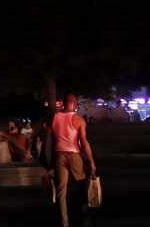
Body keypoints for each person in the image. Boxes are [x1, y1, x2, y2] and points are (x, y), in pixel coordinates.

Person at [49, 93, 98, 227]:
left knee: (61, 191)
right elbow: (84, 142)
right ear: (74, 103)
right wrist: (91, 161)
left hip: (59, 155)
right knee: (82, 186)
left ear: (64, 103)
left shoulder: (54, 117)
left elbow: (52, 140)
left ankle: (64, 222)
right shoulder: (78, 119)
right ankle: (82, 216)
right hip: (74, 155)